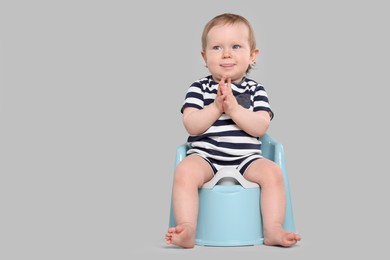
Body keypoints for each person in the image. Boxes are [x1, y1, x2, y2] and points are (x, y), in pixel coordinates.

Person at [165, 13, 301, 248]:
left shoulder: (256, 90)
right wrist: (217, 106)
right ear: (204, 56)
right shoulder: (199, 88)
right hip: (206, 158)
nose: (226, 54)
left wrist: (235, 109)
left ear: (252, 55)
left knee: (272, 174)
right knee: (185, 171)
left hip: (246, 159)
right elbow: (192, 124)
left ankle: (273, 229)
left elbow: (261, 126)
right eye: (217, 47)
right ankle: (187, 227)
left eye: (236, 46)